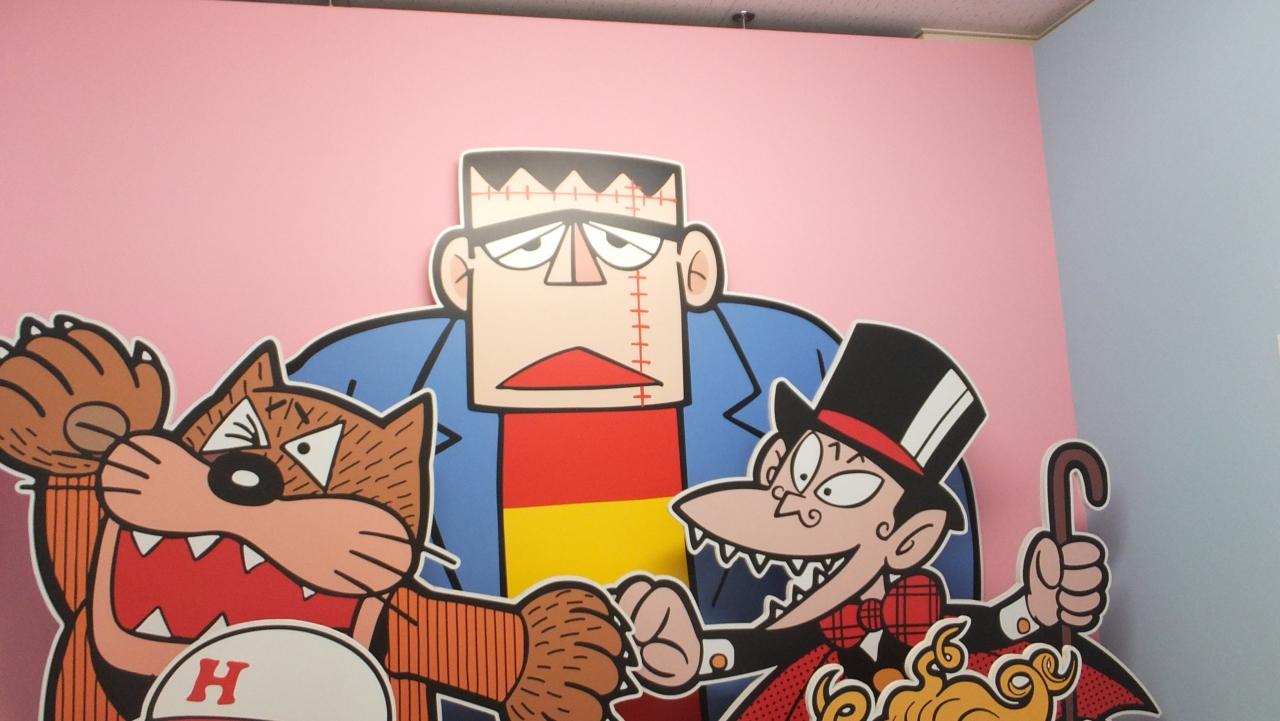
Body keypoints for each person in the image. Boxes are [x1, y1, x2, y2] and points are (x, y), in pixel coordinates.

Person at [288, 148, 848, 721]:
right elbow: (278, 578)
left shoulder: (803, 367)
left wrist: (709, 649)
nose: (574, 273)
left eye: (623, 245)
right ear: (461, 273)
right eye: (524, 247)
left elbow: (875, 583)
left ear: (693, 270)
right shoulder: (355, 381)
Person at [616, 323, 1156, 721]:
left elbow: (989, 630)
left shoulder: (934, 625)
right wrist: (696, 654)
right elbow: (758, 647)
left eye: (843, 489)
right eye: (802, 469)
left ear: (908, 539)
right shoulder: (815, 634)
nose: (800, 505)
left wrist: (1036, 606)